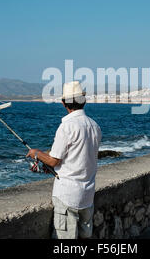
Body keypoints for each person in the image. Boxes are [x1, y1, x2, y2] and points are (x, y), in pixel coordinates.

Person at [26, 81, 102, 239]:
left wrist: (36, 153)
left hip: (68, 196)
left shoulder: (67, 127)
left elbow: (54, 161)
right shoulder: (95, 126)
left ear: (63, 103)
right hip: (87, 195)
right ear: (84, 101)